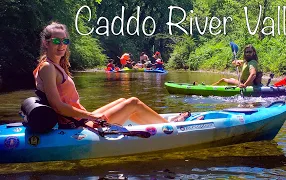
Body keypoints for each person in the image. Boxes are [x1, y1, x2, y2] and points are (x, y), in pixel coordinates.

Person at [33, 22, 180, 129]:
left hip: (78, 119)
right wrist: (91, 116)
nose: (62, 45)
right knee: (133, 102)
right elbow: (58, 106)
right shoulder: (48, 68)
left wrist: (88, 114)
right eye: (56, 41)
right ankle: (169, 128)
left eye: (65, 41)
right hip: (74, 125)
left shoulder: (53, 66)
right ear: (46, 43)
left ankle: (160, 123)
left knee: (123, 100)